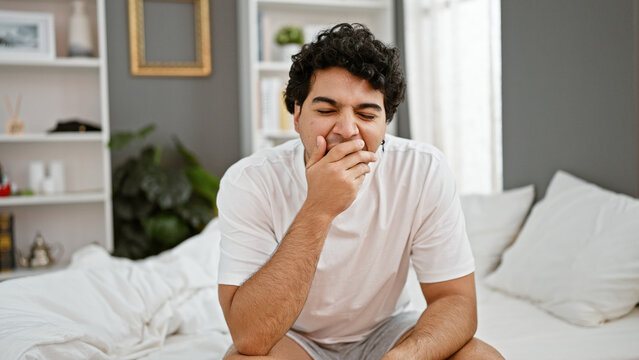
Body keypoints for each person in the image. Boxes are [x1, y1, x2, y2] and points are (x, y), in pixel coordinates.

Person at [217, 23, 504, 360]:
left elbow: (455, 300)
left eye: (367, 114)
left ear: (385, 123)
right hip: (291, 338)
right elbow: (250, 337)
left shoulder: (423, 169)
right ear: (296, 115)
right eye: (326, 110)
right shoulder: (250, 180)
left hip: (388, 333)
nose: (347, 131)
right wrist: (319, 208)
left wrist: (405, 357)